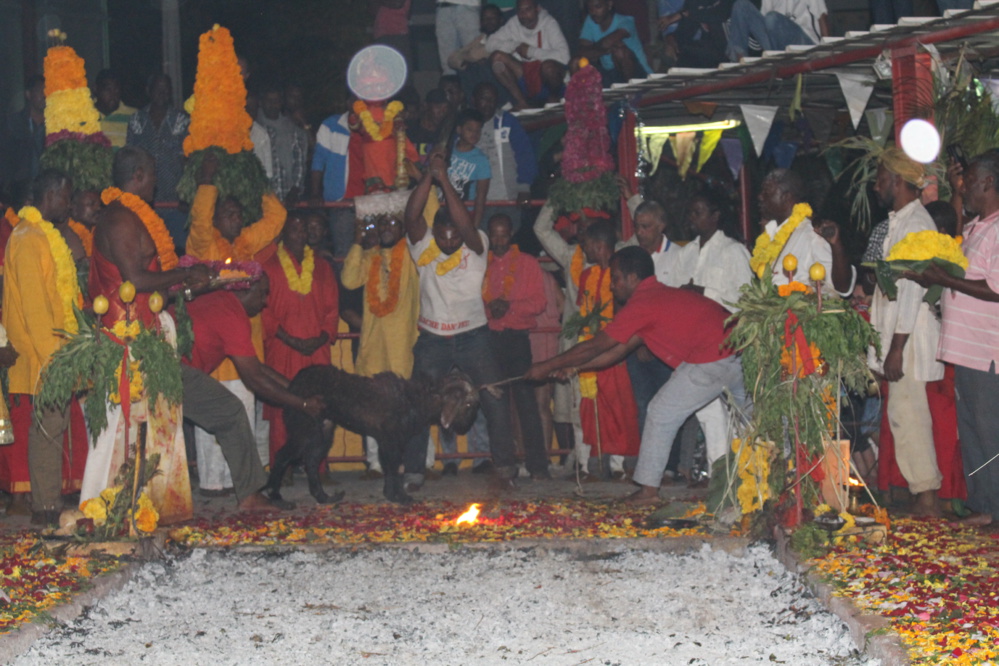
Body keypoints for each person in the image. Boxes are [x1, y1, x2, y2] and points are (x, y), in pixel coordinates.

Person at [526, 246, 750, 505]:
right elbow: (617, 351)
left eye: (616, 278)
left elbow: (596, 345)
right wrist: (575, 367)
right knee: (753, 422)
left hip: (713, 358)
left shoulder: (643, 302)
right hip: (739, 353)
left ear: (633, 278)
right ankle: (780, 473)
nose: (612, 286)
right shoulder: (659, 296)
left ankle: (648, 491)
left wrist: (545, 366)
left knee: (660, 411)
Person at [404, 151, 519, 490]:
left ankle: (506, 469)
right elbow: (412, 216)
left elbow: (466, 224)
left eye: (454, 235)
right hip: (432, 338)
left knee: (495, 397)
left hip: (473, 336)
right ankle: (413, 472)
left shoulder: (476, 243)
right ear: (434, 232)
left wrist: (444, 180)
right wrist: (429, 176)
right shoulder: (422, 246)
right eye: (444, 235)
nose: (450, 241)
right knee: (418, 404)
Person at [185, 152, 287, 493]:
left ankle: (244, 483)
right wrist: (208, 182)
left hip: (244, 349)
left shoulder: (247, 244)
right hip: (213, 353)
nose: (234, 219)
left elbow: (277, 218)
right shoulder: (204, 244)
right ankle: (214, 485)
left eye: (238, 215)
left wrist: (256, 181)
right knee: (210, 420)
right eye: (227, 214)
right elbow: (199, 220)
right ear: (217, 218)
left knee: (243, 413)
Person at [911, 150, 999, 527]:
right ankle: (984, 506)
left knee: (990, 434)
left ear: (989, 183)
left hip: (987, 353)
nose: (965, 188)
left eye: (970, 181)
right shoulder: (980, 226)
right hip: (967, 352)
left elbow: (995, 289)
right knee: (975, 434)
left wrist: (944, 280)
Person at [182, 274, 324, 507]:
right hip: (172, 370)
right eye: (262, 293)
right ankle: (250, 496)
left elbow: (256, 367)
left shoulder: (222, 303)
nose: (265, 301)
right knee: (230, 410)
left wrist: (298, 393)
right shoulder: (231, 313)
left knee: (229, 411)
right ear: (243, 291)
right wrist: (303, 405)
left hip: (172, 368)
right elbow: (255, 379)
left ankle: (249, 493)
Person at [1, 170, 89, 525]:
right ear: (50, 196)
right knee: (47, 428)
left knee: (53, 426)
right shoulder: (26, 238)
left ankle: (49, 502)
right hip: (43, 355)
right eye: (66, 197)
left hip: (54, 351)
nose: (68, 205)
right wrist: (54, 361)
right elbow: (35, 310)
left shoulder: (41, 235)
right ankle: (46, 507)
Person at [866, 150, 944, 517]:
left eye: (881, 178)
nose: (876, 185)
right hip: (900, 333)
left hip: (908, 336)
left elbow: (912, 290)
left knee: (908, 411)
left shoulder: (916, 225)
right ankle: (923, 494)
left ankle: (926, 495)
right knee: (904, 411)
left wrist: (896, 348)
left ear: (897, 181)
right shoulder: (901, 221)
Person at [341, 191, 421, 479]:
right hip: (374, 345)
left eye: (392, 224)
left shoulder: (412, 258)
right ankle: (375, 463)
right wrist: (359, 241)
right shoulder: (370, 256)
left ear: (402, 228)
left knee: (408, 404)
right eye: (382, 224)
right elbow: (349, 279)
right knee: (374, 405)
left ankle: (417, 462)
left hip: (404, 346)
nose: (387, 228)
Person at [678, 190, 752, 466]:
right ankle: (718, 472)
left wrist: (704, 291)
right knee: (707, 412)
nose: (692, 219)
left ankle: (743, 472)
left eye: (698, 212)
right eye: (691, 213)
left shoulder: (733, 251)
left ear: (715, 216)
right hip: (695, 345)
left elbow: (746, 300)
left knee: (737, 413)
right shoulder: (686, 252)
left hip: (728, 343)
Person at [261, 211, 340, 464]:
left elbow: (331, 310)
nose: (300, 234)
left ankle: (319, 468)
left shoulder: (323, 267)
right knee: (280, 410)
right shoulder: (269, 266)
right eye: (294, 229)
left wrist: (321, 338)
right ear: (283, 233)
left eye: (304, 229)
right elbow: (265, 312)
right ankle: (279, 469)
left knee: (320, 407)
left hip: (316, 350)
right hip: (283, 349)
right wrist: (291, 340)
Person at [483, 213, 551, 479]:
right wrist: (490, 309)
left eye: (503, 234)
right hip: (490, 340)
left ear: (510, 235)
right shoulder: (480, 264)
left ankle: (538, 466)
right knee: (495, 404)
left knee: (527, 404)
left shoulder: (527, 263)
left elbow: (539, 303)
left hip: (517, 340)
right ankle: (504, 465)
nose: (499, 241)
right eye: (494, 235)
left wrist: (509, 306)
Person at [573, 221, 641, 478]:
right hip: (592, 349)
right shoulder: (586, 276)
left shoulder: (622, 274)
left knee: (622, 406)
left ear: (599, 246)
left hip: (618, 349)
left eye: (587, 245)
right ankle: (597, 461)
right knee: (594, 407)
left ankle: (631, 463)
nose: (583, 249)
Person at [754, 168, 854, 295]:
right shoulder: (770, 233)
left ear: (786, 197)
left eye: (766, 192)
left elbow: (842, 287)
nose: (760, 196)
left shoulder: (811, 234)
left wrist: (837, 245)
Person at [125, 74, 190, 249]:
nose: (162, 93)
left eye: (166, 89)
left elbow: (190, 162)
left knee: (180, 256)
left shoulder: (182, 120)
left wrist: (188, 197)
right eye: (158, 88)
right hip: (146, 207)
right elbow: (129, 161)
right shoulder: (136, 120)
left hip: (177, 207)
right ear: (149, 91)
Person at [486, 0, 570, 110]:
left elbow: (565, 56)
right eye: (520, 10)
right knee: (496, 58)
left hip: (549, 80)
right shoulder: (514, 23)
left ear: (537, 9)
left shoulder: (549, 23)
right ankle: (522, 102)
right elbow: (490, 43)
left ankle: (554, 100)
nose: (523, 14)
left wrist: (531, 51)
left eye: (528, 9)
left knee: (548, 67)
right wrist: (516, 46)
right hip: (527, 76)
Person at [472, 82, 537, 206]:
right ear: (474, 100)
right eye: (484, 98)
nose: (488, 104)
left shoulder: (507, 121)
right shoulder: (464, 124)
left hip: (507, 197)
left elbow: (525, 155)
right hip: (473, 200)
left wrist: (524, 188)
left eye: (492, 99)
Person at [311, 106, 358, 259]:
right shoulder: (331, 125)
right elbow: (318, 161)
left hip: (368, 201)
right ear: (348, 101)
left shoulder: (375, 126)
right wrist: (315, 193)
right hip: (340, 203)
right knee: (345, 256)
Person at [578, 0, 653, 86]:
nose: (593, 12)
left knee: (619, 51)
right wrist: (604, 51)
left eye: (598, 7)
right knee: (576, 62)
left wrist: (595, 51)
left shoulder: (625, 21)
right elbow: (581, 51)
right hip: (611, 73)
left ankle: (632, 93)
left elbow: (607, 42)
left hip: (638, 75)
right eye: (590, 9)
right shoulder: (590, 21)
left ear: (609, 4)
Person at [726, 0, 829, 62]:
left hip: (804, 42)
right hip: (777, 47)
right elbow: (764, 23)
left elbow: (821, 16)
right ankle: (741, 62)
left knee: (772, 18)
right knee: (741, 5)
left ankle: (779, 62)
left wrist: (827, 51)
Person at [257, 83, 310, 202]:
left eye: (276, 101)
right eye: (268, 100)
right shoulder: (254, 129)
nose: (272, 105)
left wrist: (295, 190)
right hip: (261, 197)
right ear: (261, 103)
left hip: (287, 195)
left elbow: (299, 163)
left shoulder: (292, 129)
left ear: (281, 103)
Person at [1, 75, 46, 207]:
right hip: (18, 191)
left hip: (45, 191)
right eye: (41, 90)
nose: (45, 95)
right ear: (28, 94)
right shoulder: (13, 123)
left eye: (48, 90)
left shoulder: (55, 125)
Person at [447, 109, 492, 229]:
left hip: (466, 213)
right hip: (443, 209)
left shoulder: (481, 160)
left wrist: (475, 226)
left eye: (478, 130)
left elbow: (481, 196)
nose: (474, 134)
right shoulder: (446, 151)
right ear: (459, 129)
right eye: (469, 129)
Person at [436, 0, 482, 76]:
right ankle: (450, 83)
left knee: (474, 55)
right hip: (443, 6)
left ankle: (477, 83)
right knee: (447, 61)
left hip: (467, 5)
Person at [93, 69, 136, 150]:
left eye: (116, 89)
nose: (113, 94)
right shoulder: (82, 115)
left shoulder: (134, 116)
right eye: (108, 89)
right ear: (96, 89)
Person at [407, 89, 450, 159]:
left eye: (446, 108)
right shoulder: (410, 129)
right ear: (426, 105)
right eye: (438, 107)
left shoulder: (446, 134)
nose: (442, 112)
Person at [372, 0, 413, 66]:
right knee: (383, 68)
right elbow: (373, 10)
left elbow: (398, 3)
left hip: (398, 33)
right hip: (381, 33)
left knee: (400, 66)